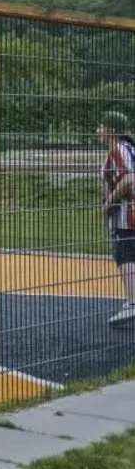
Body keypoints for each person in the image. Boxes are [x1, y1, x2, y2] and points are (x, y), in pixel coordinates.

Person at [99, 112, 135, 327]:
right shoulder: (128, 149)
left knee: (125, 255)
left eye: (101, 126)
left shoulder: (119, 150)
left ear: (111, 130)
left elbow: (129, 178)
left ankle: (132, 303)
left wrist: (109, 202)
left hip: (127, 216)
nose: (98, 130)